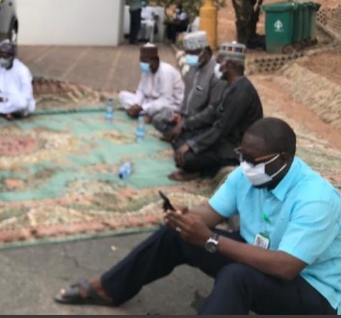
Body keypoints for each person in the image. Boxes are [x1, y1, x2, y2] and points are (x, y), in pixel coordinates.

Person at [54, 117, 341, 315]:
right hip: (259, 257)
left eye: (255, 161)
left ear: (284, 159)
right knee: (176, 236)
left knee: (237, 277)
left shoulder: (316, 199)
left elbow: (285, 267)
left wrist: (212, 240)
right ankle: (108, 288)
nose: (246, 166)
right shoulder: (246, 175)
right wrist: (186, 219)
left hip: (311, 289)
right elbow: (211, 213)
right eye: (243, 156)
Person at [168, 41, 263, 182]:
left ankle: (203, 171)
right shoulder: (230, 86)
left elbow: (221, 128)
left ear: (228, 65)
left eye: (219, 63)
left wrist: (192, 145)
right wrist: (184, 125)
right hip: (224, 139)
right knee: (180, 139)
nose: (216, 67)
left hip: (236, 147)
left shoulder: (242, 91)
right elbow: (212, 113)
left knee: (187, 158)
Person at [158, 31, 226, 142]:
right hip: (185, 119)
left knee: (185, 143)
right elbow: (186, 96)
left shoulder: (216, 74)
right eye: (187, 54)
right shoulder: (193, 68)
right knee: (159, 119)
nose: (188, 57)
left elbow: (211, 112)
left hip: (200, 124)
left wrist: (185, 124)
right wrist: (179, 114)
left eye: (192, 54)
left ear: (204, 52)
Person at [118, 44, 185, 127]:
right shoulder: (146, 70)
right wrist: (136, 104)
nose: (143, 63)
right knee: (122, 95)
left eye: (145, 61)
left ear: (154, 60)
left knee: (164, 110)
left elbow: (166, 100)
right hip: (150, 102)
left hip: (171, 105)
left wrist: (143, 108)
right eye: (142, 61)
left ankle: (145, 113)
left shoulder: (165, 71)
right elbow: (141, 90)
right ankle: (143, 113)